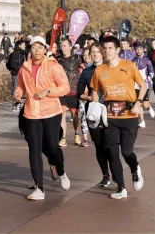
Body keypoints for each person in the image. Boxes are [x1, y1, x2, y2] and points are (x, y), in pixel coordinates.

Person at [14, 36, 71, 200]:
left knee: (53, 147)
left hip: (51, 112)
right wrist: (18, 93)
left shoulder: (53, 66)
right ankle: (39, 189)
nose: (37, 50)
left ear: (45, 49)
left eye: (40, 47)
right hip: (31, 113)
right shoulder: (24, 67)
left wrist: (47, 92)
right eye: (34, 47)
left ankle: (61, 171)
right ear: (30, 49)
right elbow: (21, 85)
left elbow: (65, 87)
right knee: (34, 149)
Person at [89, 35, 146, 199]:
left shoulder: (128, 66)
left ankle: (135, 169)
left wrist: (139, 101)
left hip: (129, 115)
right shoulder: (99, 71)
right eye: (104, 49)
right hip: (110, 117)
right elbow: (94, 91)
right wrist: (94, 107)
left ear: (118, 50)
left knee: (127, 152)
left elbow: (143, 85)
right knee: (112, 152)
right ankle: (121, 187)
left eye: (110, 48)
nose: (106, 51)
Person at [78, 42, 110, 187]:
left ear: (102, 53)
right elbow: (79, 93)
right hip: (93, 112)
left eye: (98, 51)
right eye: (93, 52)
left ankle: (116, 173)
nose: (95, 54)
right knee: (99, 145)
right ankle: (105, 175)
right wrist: (90, 98)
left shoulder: (110, 69)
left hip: (110, 110)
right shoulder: (86, 72)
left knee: (111, 145)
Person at [56, 38, 82, 146]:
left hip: (73, 90)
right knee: (62, 115)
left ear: (71, 47)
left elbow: (83, 70)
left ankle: (77, 134)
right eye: (61, 46)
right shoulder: (58, 59)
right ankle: (63, 137)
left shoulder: (77, 58)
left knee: (74, 115)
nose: (62, 48)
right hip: (62, 90)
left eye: (65, 46)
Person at [132, 42, 155, 127]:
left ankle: (149, 108)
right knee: (138, 102)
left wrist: (147, 80)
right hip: (135, 85)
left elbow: (152, 73)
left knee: (144, 103)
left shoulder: (147, 60)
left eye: (140, 49)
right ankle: (142, 121)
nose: (138, 51)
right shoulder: (133, 61)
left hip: (145, 85)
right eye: (137, 49)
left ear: (143, 50)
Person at [6, 39, 27, 111]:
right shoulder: (15, 53)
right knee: (16, 89)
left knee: (20, 90)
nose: (25, 46)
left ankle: (18, 105)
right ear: (19, 45)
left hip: (19, 74)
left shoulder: (21, 53)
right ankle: (15, 106)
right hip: (16, 74)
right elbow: (12, 65)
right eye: (23, 45)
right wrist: (20, 71)